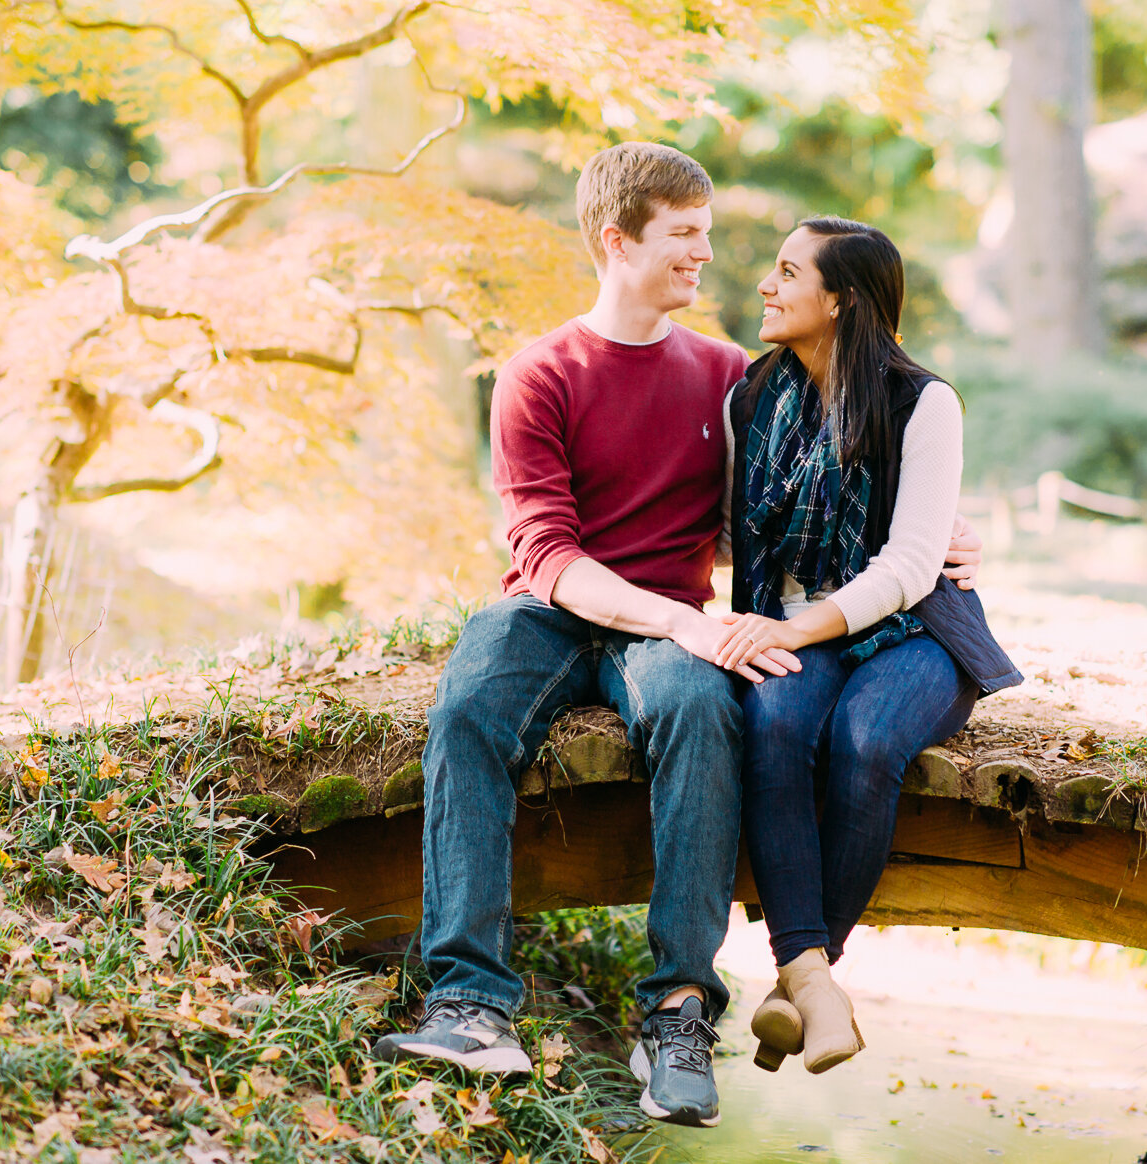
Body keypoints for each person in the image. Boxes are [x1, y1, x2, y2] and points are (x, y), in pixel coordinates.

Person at [374, 145, 985, 1129]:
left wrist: (940, 530)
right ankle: (471, 1002)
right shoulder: (536, 374)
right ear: (617, 242)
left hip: (669, 619)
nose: (709, 256)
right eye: (685, 236)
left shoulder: (731, 382)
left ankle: (677, 1011)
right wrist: (682, 624)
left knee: (703, 717)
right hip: (553, 606)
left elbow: (818, 472)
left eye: (707, 233)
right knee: (468, 709)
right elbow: (546, 553)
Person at [711, 217, 1023, 1076]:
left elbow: (912, 566)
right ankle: (811, 986)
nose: (766, 287)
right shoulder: (752, 397)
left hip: (917, 628)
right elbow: (735, 535)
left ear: (841, 297)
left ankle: (799, 978)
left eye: (786, 272)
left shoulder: (923, 401)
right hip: (798, 623)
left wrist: (791, 628)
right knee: (774, 724)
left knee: (865, 739)